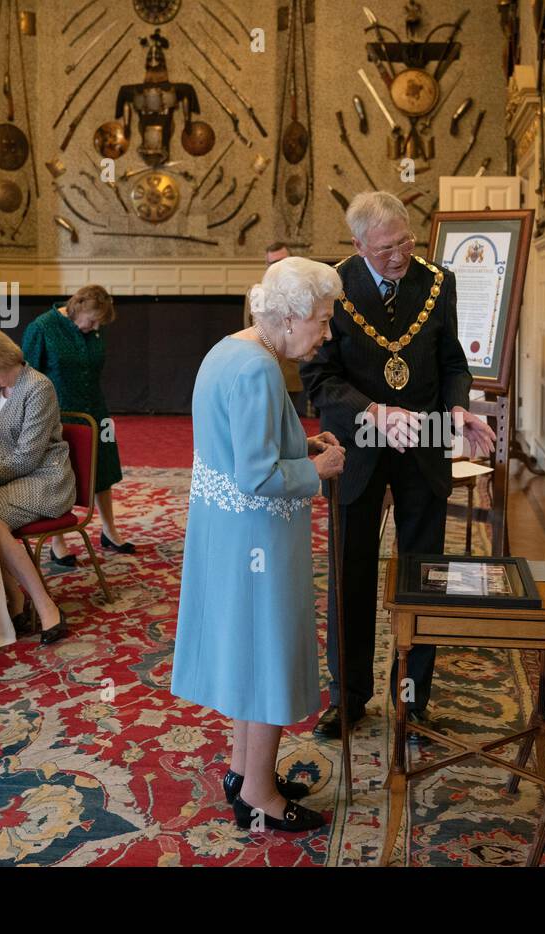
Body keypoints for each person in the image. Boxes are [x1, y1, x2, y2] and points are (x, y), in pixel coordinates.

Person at [301, 191, 496, 740]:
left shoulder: (439, 282)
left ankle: (414, 697)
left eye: (406, 241)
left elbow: (452, 361)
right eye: (386, 247)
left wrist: (458, 408)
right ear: (358, 243)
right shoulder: (332, 289)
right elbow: (319, 380)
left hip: (427, 443)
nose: (399, 255)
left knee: (424, 575)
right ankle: (350, 697)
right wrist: (375, 412)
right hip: (357, 445)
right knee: (351, 571)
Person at [171, 257, 346, 833]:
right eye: (321, 321)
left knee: (248, 657)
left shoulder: (230, 348)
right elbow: (255, 474)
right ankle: (261, 796)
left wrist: (302, 445)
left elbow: (242, 446)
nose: (325, 334)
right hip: (259, 541)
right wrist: (319, 470)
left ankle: (245, 773)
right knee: (267, 658)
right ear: (291, 316)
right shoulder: (259, 370)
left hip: (230, 535)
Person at [0, 327, 75, 645]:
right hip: (5, 480)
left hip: (44, 480)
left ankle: (37, 604)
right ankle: (18, 598)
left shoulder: (38, 388)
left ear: (0, 360)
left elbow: (27, 458)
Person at [22, 285, 134, 569]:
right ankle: (57, 543)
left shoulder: (94, 328)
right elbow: (26, 376)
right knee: (60, 475)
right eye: (93, 321)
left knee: (104, 470)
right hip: (58, 415)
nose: (95, 327)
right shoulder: (43, 328)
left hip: (96, 411)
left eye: (100, 324)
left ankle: (110, 531)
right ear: (78, 308)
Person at [244, 241, 308, 418]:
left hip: (291, 372)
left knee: (290, 428)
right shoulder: (257, 293)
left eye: (282, 261)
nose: (278, 268)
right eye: (272, 263)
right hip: (262, 372)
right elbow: (249, 332)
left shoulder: (304, 292)